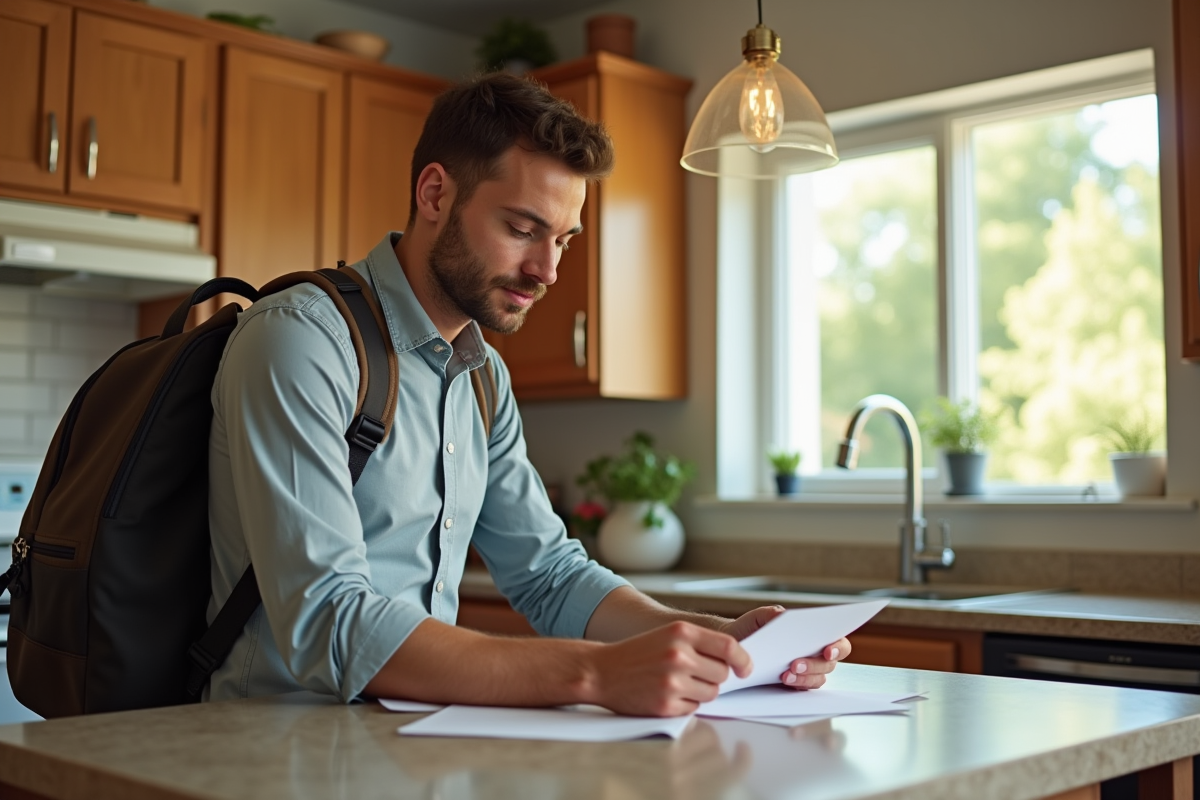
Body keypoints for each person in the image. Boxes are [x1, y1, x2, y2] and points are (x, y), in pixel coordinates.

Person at [205, 72, 851, 716]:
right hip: (270, 747)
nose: (548, 271)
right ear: (435, 194)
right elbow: (327, 619)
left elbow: (551, 576)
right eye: (522, 229)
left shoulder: (481, 377)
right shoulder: (301, 340)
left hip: (406, 743)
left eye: (563, 240)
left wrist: (722, 641)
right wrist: (596, 675)